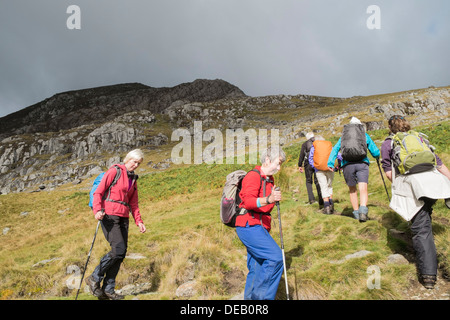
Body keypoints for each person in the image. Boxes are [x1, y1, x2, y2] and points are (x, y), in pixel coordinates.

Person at [381, 115, 450, 289]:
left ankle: (428, 275)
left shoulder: (388, 143)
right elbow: (439, 164)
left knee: (421, 228)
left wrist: (398, 188)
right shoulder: (419, 138)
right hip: (433, 183)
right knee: (424, 216)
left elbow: (389, 172)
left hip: (413, 185)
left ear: (390, 127)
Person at [86, 149, 147, 300]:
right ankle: (94, 277)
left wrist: (139, 221)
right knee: (118, 250)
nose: (136, 165)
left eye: (138, 163)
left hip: (123, 217)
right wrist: (97, 210)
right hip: (109, 215)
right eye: (134, 162)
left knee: (121, 253)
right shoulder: (115, 171)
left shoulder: (133, 179)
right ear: (128, 159)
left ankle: (108, 289)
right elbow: (98, 192)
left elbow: (134, 203)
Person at [235, 147, 286, 300]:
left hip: (259, 225)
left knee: (256, 267)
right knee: (276, 258)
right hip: (249, 225)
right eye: (278, 163)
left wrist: (272, 199)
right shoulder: (253, 176)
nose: (279, 168)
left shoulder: (269, 179)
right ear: (268, 160)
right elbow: (248, 202)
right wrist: (269, 199)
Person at [328, 117, 380, 221]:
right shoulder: (364, 135)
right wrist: (377, 156)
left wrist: (330, 163)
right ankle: (363, 212)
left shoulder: (343, 137)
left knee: (352, 190)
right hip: (362, 163)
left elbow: (335, 149)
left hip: (347, 165)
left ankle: (356, 214)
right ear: (360, 126)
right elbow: (375, 151)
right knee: (363, 188)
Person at [308, 136, 340, 214]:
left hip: (319, 170)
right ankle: (331, 204)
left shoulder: (314, 147)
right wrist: (338, 165)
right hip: (330, 168)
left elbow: (310, 158)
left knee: (323, 186)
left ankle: (326, 207)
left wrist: (315, 166)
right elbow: (339, 155)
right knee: (329, 185)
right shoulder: (329, 146)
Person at [298, 132, 324, 207]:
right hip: (317, 163)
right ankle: (321, 199)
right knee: (317, 180)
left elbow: (301, 155)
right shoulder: (318, 142)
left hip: (308, 164)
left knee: (309, 181)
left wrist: (300, 165)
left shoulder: (305, 144)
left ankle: (311, 199)